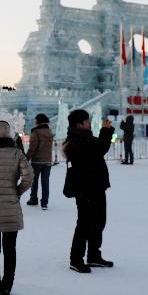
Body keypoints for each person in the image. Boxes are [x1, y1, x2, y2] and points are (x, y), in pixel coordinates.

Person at [0, 120, 33, 295]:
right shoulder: (16, 153)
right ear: (9, 133)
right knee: (10, 248)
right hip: (11, 207)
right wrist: (17, 191)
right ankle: (7, 286)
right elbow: (29, 177)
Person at [63, 109, 115, 273]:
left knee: (99, 221)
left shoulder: (84, 137)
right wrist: (105, 131)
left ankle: (93, 255)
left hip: (96, 185)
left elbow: (98, 149)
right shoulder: (76, 140)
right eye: (87, 120)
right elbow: (98, 150)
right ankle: (76, 259)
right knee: (85, 223)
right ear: (79, 124)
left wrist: (105, 132)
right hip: (85, 188)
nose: (89, 123)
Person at [26, 113, 54, 209]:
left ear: (38, 121)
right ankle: (44, 203)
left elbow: (32, 148)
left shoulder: (36, 132)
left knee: (34, 181)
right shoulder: (49, 131)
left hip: (37, 161)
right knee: (45, 182)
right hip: (47, 161)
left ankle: (33, 199)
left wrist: (26, 158)